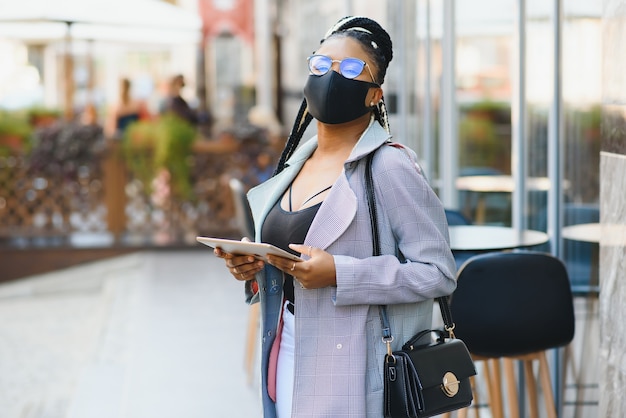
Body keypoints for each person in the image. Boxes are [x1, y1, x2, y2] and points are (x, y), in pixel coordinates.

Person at [214, 16, 457, 418]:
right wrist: (254, 268)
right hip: (287, 348)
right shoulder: (296, 161)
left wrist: (342, 274)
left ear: (373, 95)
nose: (330, 77)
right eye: (321, 65)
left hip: (354, 370)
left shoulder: (389, 166)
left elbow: (438, 272)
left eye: (348, 69)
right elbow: (291, 262)